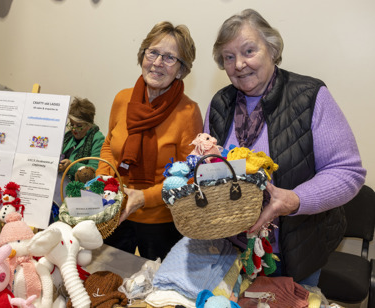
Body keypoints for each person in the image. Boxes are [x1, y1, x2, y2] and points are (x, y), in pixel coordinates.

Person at [204, 9, 366, 286]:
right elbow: (208, 168)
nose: (239, 64)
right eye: (229, 57)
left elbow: (347, 172)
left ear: (272, 49)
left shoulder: (309, 96)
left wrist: (293, 200)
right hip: (230, 252)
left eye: (249, 51)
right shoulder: (220, 104)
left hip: (294, 253)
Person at [96, 21, 203, 261]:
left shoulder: (188, 112)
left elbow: (191, 175)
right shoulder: (122, 99)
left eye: (169, 58)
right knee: (106, 280)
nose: (157, 63)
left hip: (161, 222)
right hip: (114, 212)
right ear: (142, 55)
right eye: (153, 52)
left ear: (181, 69)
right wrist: (102, 180)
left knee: (156, 293)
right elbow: (110, 146)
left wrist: (144, 198)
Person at [54, 97, 105, 206]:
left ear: (89, 124)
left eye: (79, 126)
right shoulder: (68, 137)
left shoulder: (98, 139)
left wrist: (71, 167)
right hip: (60, 191)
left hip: (82, 196)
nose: (74, 129)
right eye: (71, 124)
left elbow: (95, 171)